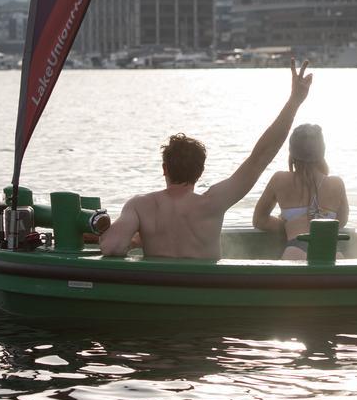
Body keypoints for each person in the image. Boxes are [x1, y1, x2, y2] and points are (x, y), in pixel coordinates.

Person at [98, 59, 313, 260]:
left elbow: (112, 246)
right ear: (200, 172)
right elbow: (260, 157)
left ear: (165, 169)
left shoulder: (140, 206)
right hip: (204, 292)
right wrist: (294, 102)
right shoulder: (213, 203)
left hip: (160, 291)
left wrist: (137, 240)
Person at [252, 123, 350, 259]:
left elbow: (259, 220)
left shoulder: (279, 179)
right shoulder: (336, 183)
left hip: (295, 248)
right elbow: (342, 221)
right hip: (331, 250)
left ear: (292, 153)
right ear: (322, 152)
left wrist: (288, 225)